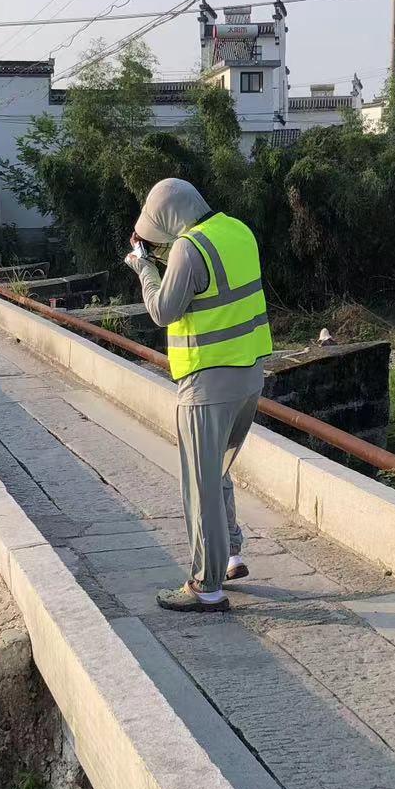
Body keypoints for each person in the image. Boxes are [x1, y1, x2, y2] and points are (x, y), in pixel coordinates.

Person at [124, 178, 272, 613]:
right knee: (218, 471)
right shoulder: (238, 230)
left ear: (170, 218)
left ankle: (205, 588)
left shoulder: (189, 249)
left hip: (206, 384)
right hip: (249, 375)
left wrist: (144, 268)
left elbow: (163, 310)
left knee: (200, 483)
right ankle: (230, 556)